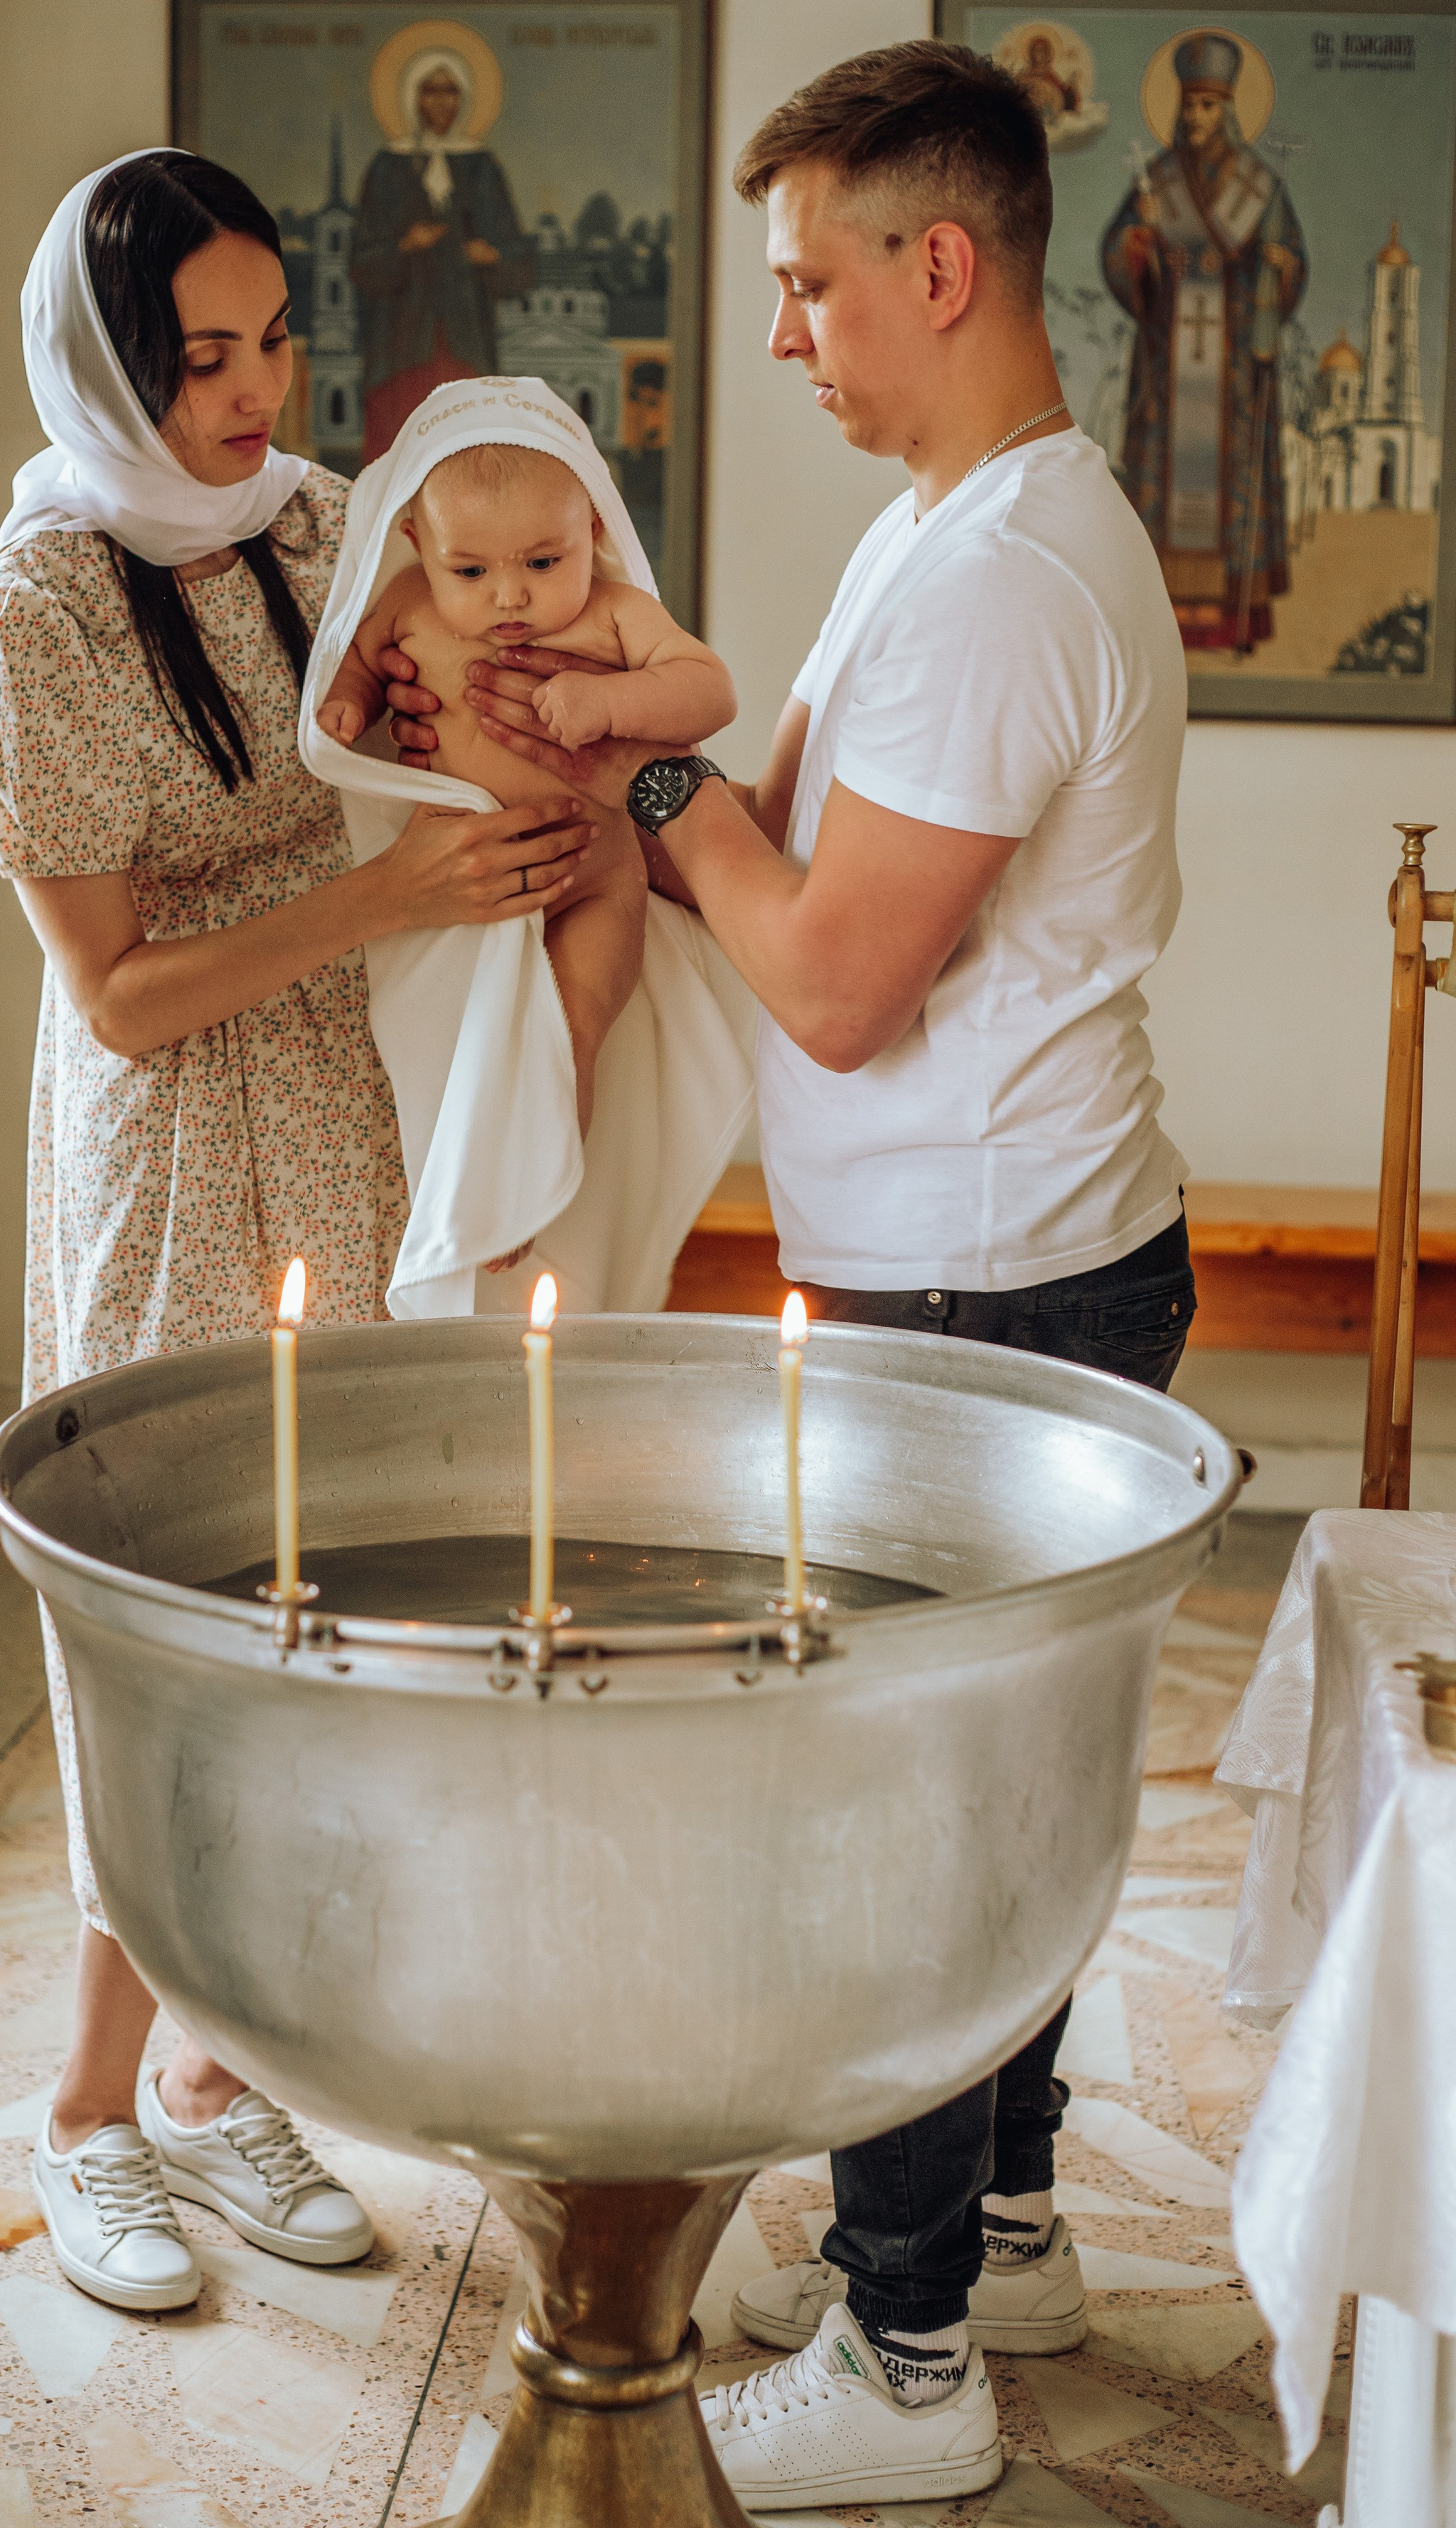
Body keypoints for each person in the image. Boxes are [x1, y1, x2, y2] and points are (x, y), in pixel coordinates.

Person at [424, 40, 1195, 2507]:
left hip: (983, 1288)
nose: (782, 336)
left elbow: (840, 974)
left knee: (911, 1824)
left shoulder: (995, 578)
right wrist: (653, 771)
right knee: (1016, 1771)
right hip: (1015, 1242)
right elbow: (791, 849)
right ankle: (1014, 2215)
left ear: (933, 266)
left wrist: (653, 789)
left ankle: (906, 2349)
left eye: (803, 284)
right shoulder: (981, 518)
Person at [0, 149, 594, 2315]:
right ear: (103, 368)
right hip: (168, 1140)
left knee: (315, 1599)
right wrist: (381, 894)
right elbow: (115, 995)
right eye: (196, 359)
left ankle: (224, 2084)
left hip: (349, 1101)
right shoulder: (22, 621)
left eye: (272, 340)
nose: (248, 393)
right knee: (154, 1622)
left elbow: (444, 715)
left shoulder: (319, 533)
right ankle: (84, 2114)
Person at [318, 435, 734, 1142]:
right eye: (470, 569)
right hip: (457, 885)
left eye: (544, 562)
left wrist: (614, 704)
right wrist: (351, 704)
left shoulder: (613, 612)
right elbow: (358, 658)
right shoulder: (407, 601)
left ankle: (553, 1148)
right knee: (454, 1045)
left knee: (573, 1021)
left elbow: (710, 690)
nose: (509, 593)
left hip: (593, 879)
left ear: (592, 530)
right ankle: (479, 1178)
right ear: (418, 543)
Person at [1101, 31, 1305, 655]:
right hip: (1169, 363)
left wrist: (1280, 267)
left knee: (1229, 487)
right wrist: (1138, 251)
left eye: (1208, 106)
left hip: (1234, 369)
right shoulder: (1155, 180)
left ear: (1230, 111)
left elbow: (1289, 261)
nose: (1195, 117)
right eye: (1189, 105)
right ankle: (1161, 625)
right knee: (1163, 482)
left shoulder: (1259, 186)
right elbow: (1119, 253)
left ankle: (1231, 622)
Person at [351, 49, 532, 461]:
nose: (441, 102)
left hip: (466, 336)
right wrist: (404, 247)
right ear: (413, 98)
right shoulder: (386, 167)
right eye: (431, 92)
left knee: (465, 448)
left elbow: (517, 254)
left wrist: (492, 256)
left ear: (463, 98)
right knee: (400, 447)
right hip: (400, 343)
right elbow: (362, 260)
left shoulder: (483, 166)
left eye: (450, 92)